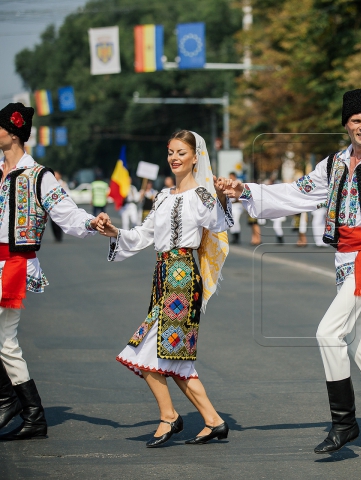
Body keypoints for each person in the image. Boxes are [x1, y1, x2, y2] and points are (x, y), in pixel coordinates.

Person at [225, 88, 361, 458]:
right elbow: (295, 193)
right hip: (345, 259)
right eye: (356, 121)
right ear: (346, 124)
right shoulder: (333, 165)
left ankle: (344, 424)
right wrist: (245, 190)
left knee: (327, 333)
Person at [96, 130, 234, 447]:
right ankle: (213, 421)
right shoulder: (161, 197)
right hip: (163, 277)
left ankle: (169, 416)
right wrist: (114, 231)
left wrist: (223, 196)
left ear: (195, 156)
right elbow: (144, 235)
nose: (174, 157)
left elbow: (220, 224)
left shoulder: (203, 195)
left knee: (141, 351)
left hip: (184, 277)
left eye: (181, 152)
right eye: (171, 151)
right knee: (172, 355)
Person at [0, 103, 103, 440]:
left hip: (15, 263)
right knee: (5, 343)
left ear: (13, 133)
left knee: (4, 341)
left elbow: (68, 215)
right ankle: (32, 414)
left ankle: (11, 401)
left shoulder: (39, 176)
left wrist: (92, 221)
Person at [50, 171, 70, 242]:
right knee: (53, 223)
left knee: (59, 222)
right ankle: (56, 236)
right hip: (52, 206)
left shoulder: (63, 184)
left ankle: (59, 237)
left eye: (56, 175)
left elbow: (68, 193)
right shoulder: (51, 184)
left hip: (60, 205)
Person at [227, 172, 244, 244]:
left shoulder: (238, 184)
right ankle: (234, 236)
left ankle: (237, 236)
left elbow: (240, 194)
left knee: (236, 221)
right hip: (231, 205)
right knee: (231, 221)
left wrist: (235, 195)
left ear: (234, 177)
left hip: (237, 205)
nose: (230, 178)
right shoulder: (228, 184)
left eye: (231, 176)